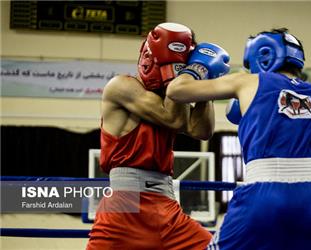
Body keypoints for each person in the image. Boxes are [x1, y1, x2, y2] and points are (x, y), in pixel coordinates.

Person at [166, 28, 311, 249]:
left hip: (263, 195)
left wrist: (199, 66)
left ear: (262, 56)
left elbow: (177, 90)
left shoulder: (247, 82)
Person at [86, 22, 230, 250]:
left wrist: (203, 80)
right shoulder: (121, 86)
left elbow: (201, 131)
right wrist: (179, 76)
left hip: (165, 203)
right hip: (125, 204)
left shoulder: (171, 102)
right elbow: (175, 120)